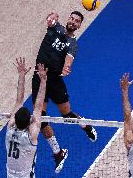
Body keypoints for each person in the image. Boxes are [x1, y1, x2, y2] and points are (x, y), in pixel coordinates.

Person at [32, 11, 97, 173]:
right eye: (72, 19)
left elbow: (69, 59)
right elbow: (50, 19)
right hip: (39, 77)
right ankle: (58, 152)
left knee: (66, 114)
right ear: (68, 20)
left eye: (77, 21)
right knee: (40, 117)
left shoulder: (73, 44)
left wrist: (67, 67)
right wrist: (51, 16)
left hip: (54, 80)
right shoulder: (56, 29)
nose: (73, 22)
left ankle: (85, 125)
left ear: (79, 26)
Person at [6, 57, 47, 178]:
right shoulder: (31, 136)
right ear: (29, 121)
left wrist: (21, 75)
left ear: (15, 119)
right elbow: (39, 106)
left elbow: (19, 101)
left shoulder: (10, 129)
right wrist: (43, 81)